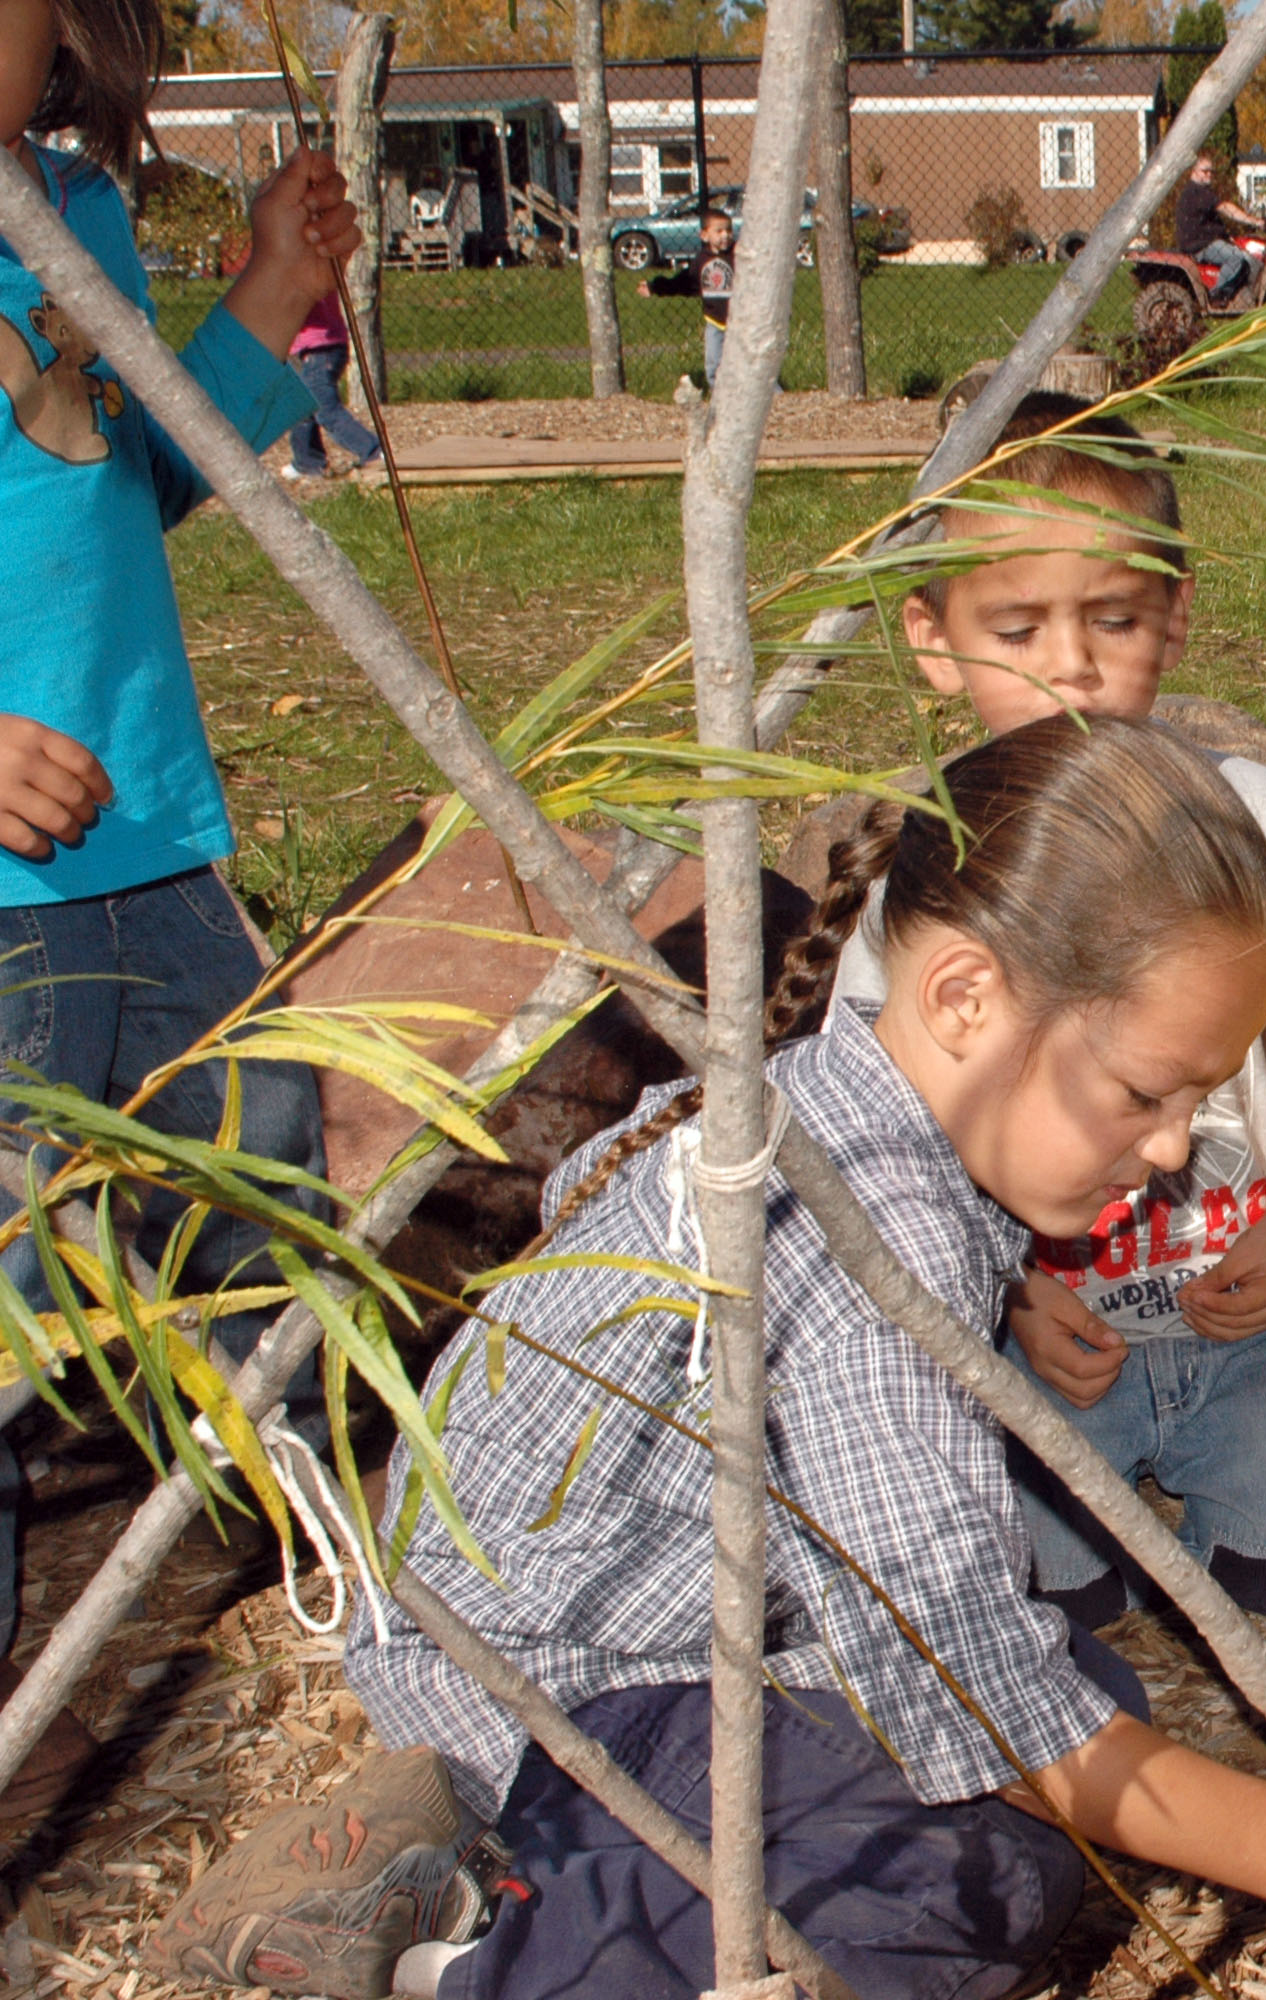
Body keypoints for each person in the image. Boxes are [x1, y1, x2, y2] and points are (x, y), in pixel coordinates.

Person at [155, 723, 1266, 2000]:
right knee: (970, 1872)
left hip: (656, 1637)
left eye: (1200, 1097)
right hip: (568, 1696)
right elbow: (978, 1693)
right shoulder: (873, 1247)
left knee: (1084, 1701)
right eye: (1148, 1093)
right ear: (965, 996)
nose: (1172, 1146)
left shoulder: (827, 1113)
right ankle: (492, 1952)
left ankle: (506, 1885)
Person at [833, 392, 1266, 1628]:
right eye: (1017, 625)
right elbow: (875, 1142)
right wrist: (1006, 1297)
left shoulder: (1253, 817)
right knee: (1031, 1589)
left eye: (1115, 618)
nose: (1071, 662)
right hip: (1036, 1340)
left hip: (1245, 1300)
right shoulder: (928, 868)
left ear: (1177, 618)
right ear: (930, 634)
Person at [0, 0, 357, 1823]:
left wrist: (273, 295)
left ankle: (308, 1600)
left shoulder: (66, 215)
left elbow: (131, 479)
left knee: (256, 1210)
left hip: (155, 836)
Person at [285, 288, 378, 479]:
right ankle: (307, 462)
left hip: (320, 350)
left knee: (326, 411)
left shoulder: (300, 270)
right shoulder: (316, 265)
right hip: (328, 346)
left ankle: (374, 451)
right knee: (302, 406)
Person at [644, 206, 734, 388]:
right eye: (719, 231)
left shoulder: (737, 256)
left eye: (728, 230)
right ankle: (718, 397)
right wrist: (655, 287)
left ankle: (774, 396)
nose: (725, 235)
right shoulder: (700, 261)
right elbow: (683, 283)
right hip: (715, 321)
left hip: (741, 321)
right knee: (713, 362)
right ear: (704, 235)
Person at [1173, 150, 1260, 303]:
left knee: (1247, 256)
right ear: (1193, 171)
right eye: (1204, 171)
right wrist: (1255, 221)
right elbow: (1226, 208)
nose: (1209, 174)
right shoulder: (1196, 192)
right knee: (1236, 258)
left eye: (1211, 171)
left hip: (1206, 241)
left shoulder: (1202, 192)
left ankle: (1241, 296)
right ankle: (1217, 295)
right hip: (1200, 245)